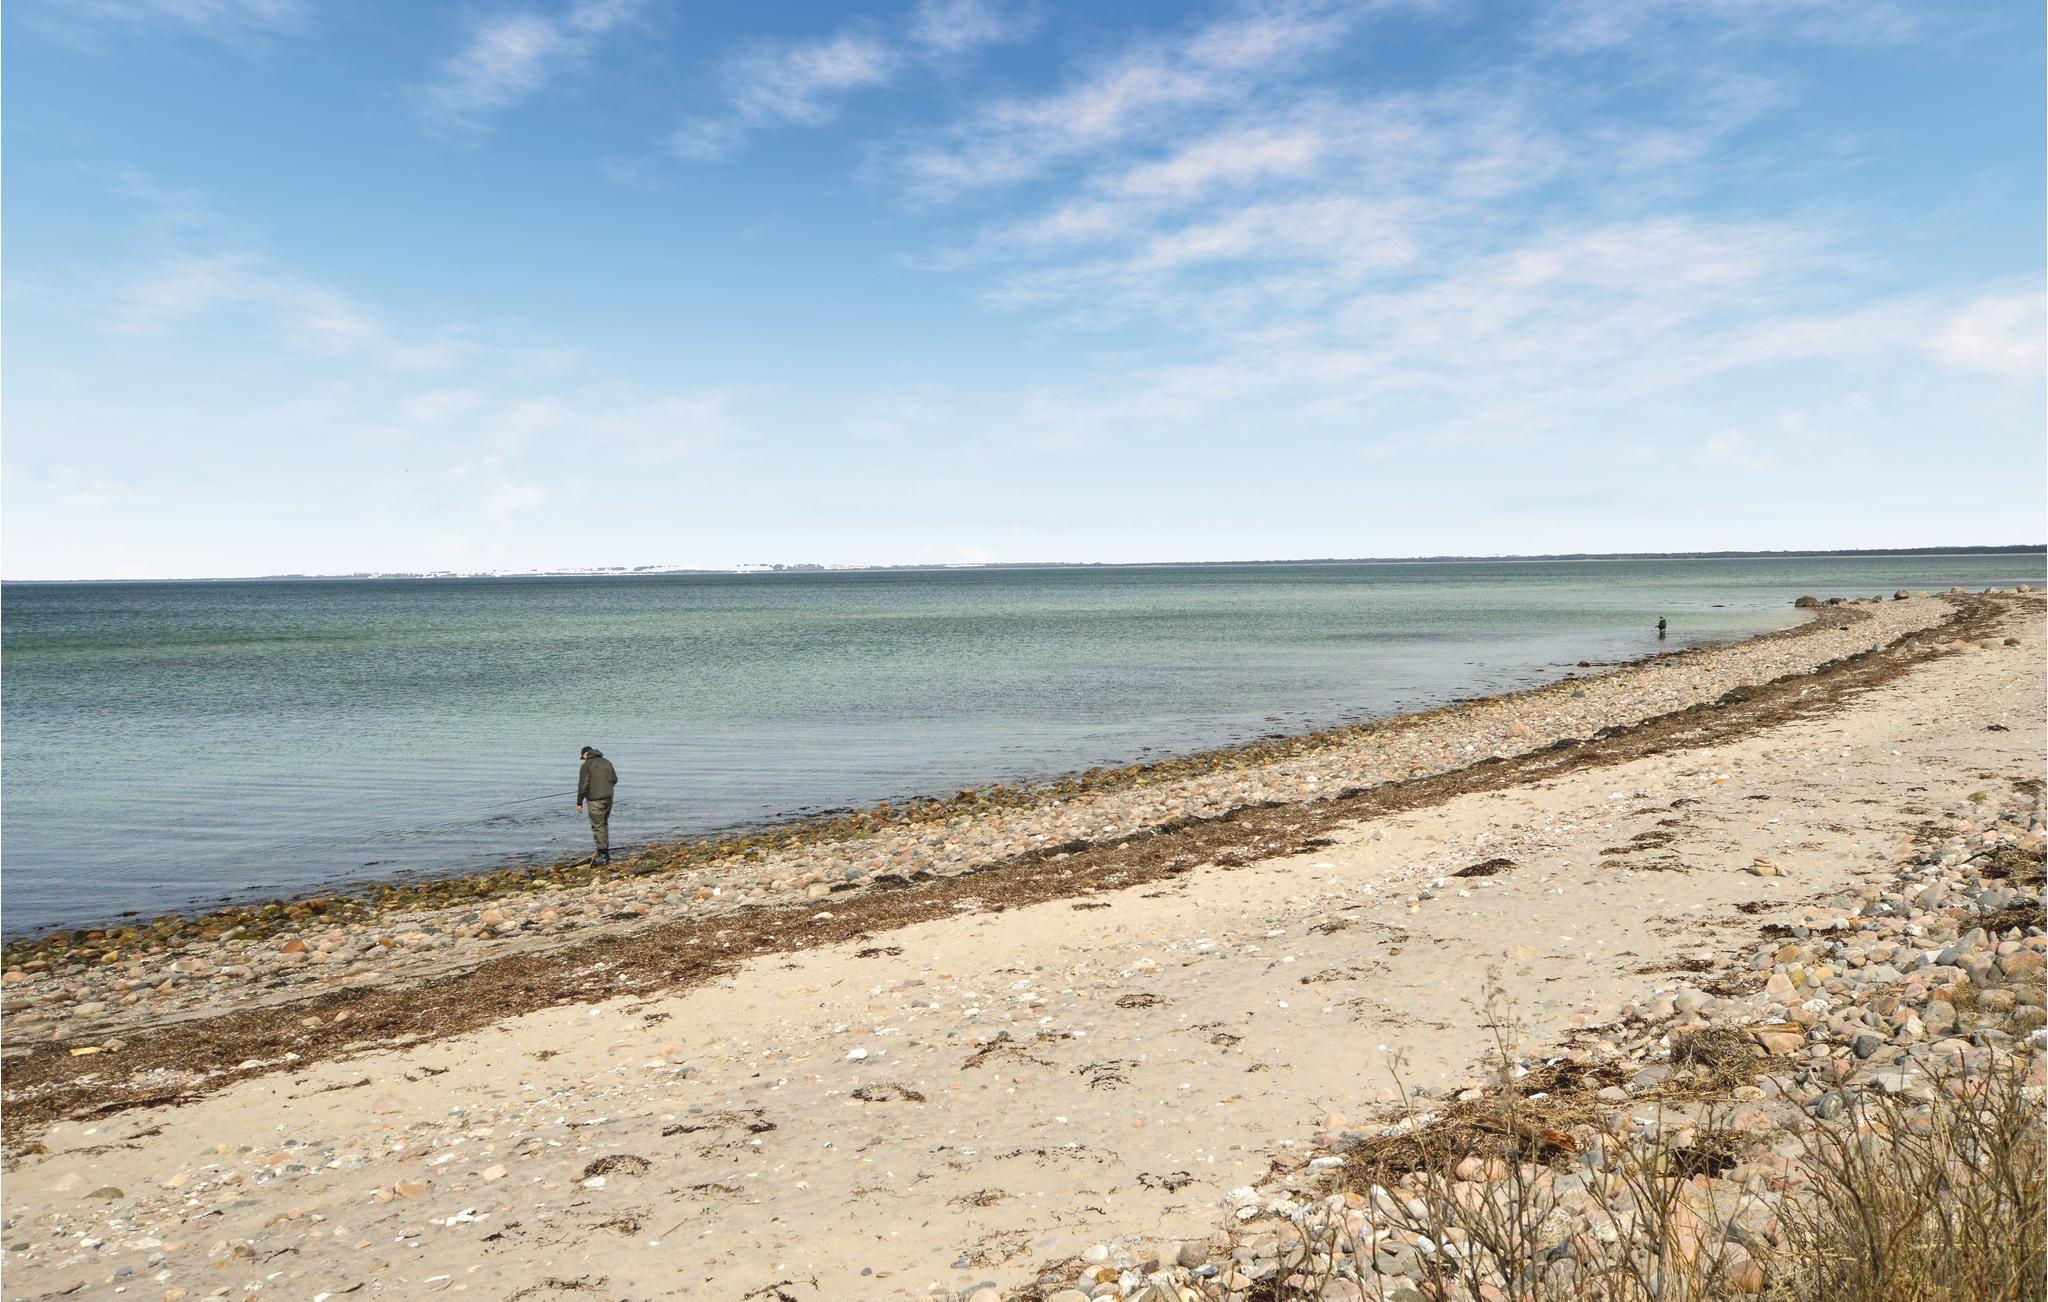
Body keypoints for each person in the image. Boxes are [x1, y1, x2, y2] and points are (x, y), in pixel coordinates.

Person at [576, 745, 619, 864]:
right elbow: (614, 779)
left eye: (583, 757)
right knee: (604, 823)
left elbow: (583, 786)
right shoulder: (606, 762)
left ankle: (603, 854)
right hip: (609, 797)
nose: (584, 760)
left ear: (585, 754)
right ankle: (605, 851)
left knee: (597, 825)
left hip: (595, 800)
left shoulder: (586, 765)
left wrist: (579, 802)